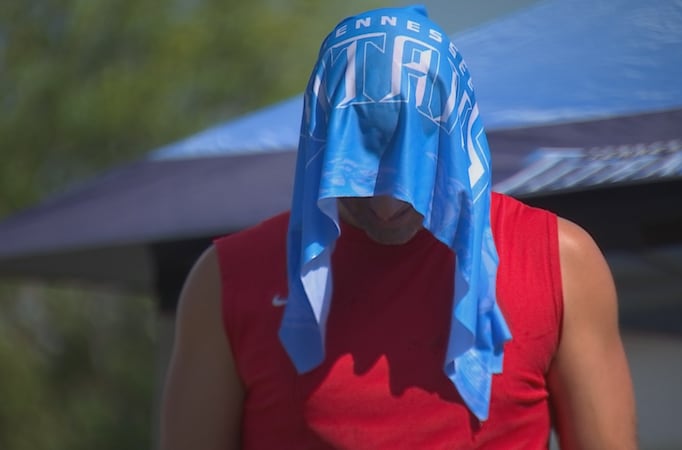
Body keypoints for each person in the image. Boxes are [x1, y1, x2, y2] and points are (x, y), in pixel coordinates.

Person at [160, 5, 637, 450]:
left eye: (414, 166)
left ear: (457, 132)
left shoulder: (558, 260)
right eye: (362, 165)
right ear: (321, 138)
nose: (387, 208)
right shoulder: (228, 279)